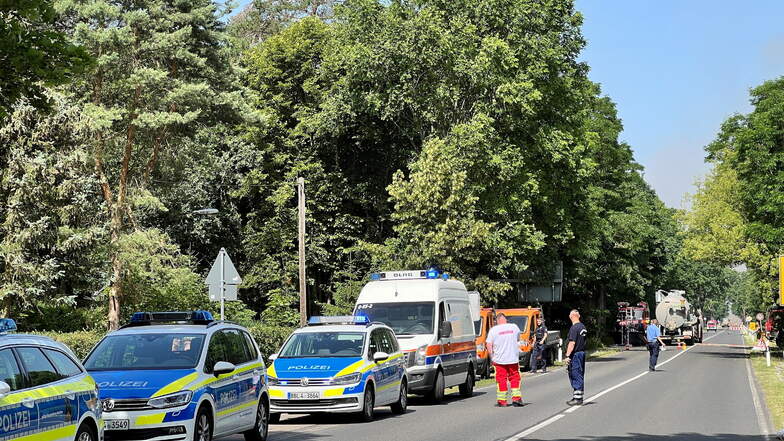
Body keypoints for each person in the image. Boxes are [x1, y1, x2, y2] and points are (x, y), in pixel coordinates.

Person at [487, 312, 524, 407]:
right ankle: (516, 399)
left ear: (497, 321)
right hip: (512, 358)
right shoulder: (514, 327)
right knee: (515, 378)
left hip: (499, 360)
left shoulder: (493, 330)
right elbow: (518, 339)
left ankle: (502, 401)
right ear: (505, 319)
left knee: (501, 379)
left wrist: (492, 357)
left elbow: (489, 344)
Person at [564, 309, 587, 406]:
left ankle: (578, 399)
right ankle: (577, 396)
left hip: (576, 354)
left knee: (575, 374)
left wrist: (567, 355)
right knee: (579, 374)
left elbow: (572, 343)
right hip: (581, 353)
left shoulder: (574, 328)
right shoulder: (582, 327)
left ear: (571, 316)